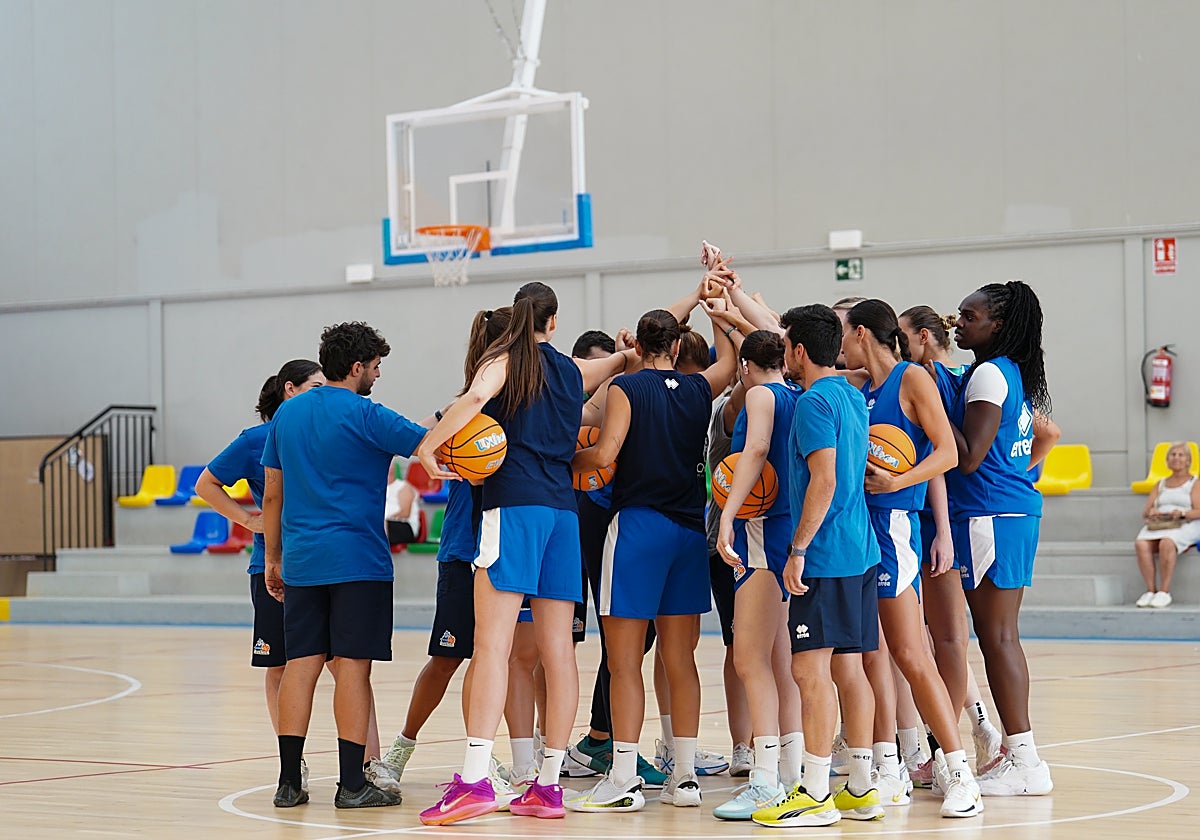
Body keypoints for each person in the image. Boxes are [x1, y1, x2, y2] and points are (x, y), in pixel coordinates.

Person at [415, 282, 630, 826]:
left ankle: (472, 781)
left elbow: (472, 400)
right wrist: (631, 348)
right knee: (560, 654)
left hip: (512, 510)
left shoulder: (505, 360)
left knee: (493, 646)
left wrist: (427, 447)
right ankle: (549, 786)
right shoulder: (573, 371)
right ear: (553, 323)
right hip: (564, 515)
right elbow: (618, 362)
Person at [568, 304, 736, 813]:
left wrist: (563, 463)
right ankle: (684, 778)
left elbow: (603, 453)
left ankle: (622, 777)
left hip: (637, 529)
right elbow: (728, 357)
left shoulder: (625, 388)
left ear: (638, 347)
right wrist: (718, 310)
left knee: (624, 666)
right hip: (687, 533)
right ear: (681, 348)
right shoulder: (699, 389)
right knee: (680, 660)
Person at [262, 322, 429, 809]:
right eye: (375, 367)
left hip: (302, 559)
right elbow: (430, 442)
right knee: (353, 671)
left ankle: (289, 782)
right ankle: (352, 784)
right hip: (359, 561)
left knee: (300, 666)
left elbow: (273, 493)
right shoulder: (368, 414)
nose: (377, 375)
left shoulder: (286, 417)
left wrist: (273, 558)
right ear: (357, 368)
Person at [841, 299, 983, 817]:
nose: (838, 343)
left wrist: (897, 482)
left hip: (897, 525)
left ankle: (959, 772)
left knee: (910, 653)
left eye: (843, 333)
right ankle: (889, 768)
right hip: (861, 531)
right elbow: (787, 342)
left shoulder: (911, 380)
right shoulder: (861, 385)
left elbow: (948, 453)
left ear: (861, 333)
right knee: (872, 656)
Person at [750, 304, 878, 828]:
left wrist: (797, 548)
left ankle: (816, 792)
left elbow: (823, 480)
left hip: (824, 555)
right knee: (849, 669)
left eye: (785, 346)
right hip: (860, 550)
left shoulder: (812, 403)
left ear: (799, 352)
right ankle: (863, 786)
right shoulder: (850, 393)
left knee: (809, 671)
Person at [381, 308, 512, 786]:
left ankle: (488, 759)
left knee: (496, 659)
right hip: (464, 548)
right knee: (448, 658)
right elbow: (413, 439)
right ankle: (400, 749)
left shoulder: (528, 408)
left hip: (507, 546)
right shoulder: (464, 410)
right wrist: (432, 444)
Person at [195, 360, 329, 793]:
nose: (323, 394)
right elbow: (206, 484)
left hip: (323, 564)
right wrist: (246, 520)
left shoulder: (323, 433)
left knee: (346, 666)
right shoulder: (255, 440)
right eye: (315, 386)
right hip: (271, 567)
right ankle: (293, 761)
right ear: (290, 390)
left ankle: (365, 764)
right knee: (279, 665)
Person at [942, 280, 1054, 797]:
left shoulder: (988, 373)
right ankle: (1021, 755)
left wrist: (932, 411)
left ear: (999, 325)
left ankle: (1025, 760)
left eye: (970, 316)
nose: (960, 322)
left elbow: (967, 456)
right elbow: (1046, 434)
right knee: (999, 635)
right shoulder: (1010, 371)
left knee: (998, 636)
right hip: (1008, 511)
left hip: (989, 513)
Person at [898, 305, 1004, 779]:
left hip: (934, 518)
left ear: (922, 337)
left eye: (900, 336)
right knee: (939, 641)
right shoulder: (969, 374)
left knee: (943, 641)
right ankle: (975, 732)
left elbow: (943, 457)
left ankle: (947, 751)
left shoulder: (928, 380)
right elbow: (1046, 431)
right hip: (956, 514)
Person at [713, 330, 804, 820]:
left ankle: (765, 779)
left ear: (746, 366)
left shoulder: (763, 396)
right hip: (789, 528)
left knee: (748, 657)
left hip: (763, 530)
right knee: (780, 658)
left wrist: (727, 513)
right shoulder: (797, 392)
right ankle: (788, 770)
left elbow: (755, 450)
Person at [1133, 442, 1200, 608]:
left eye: (1180, 455)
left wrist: (1182, 513)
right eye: (1173, 455)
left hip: (1186, 523)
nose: (1176, 458)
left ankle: (1164, 591)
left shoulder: (1195, 482)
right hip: (1162, 524)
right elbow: (1146, 512)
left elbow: (1198, 511)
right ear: (1167, 460)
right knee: (1141, 543)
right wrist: (1152, 512)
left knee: (1167, 542)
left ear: (1188, 460)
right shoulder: (1160, 483)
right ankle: (1150, 591)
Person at [384, 462, 421, 545]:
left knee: (378, 525)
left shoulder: (403, 487)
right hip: (384, 524)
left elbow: (405, 513)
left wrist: (383, 518)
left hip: (404, 526)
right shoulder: (377, 488)